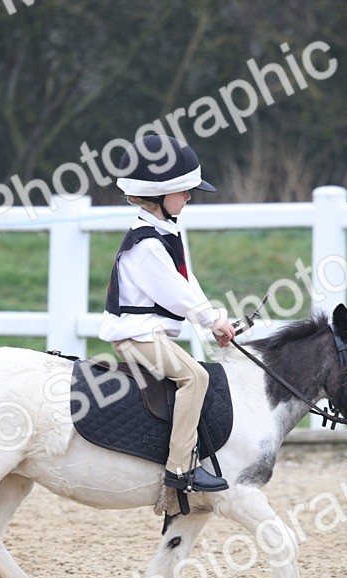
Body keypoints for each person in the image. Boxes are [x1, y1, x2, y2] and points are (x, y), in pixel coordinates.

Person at [99, 135, 238, 493]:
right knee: (195, 377)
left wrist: (214, 321)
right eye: (184, 191)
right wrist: (211, 320)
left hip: (147, 333)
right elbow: (176, 295)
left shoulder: (163, 233)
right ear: (158, 194)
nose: (189, 196)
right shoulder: (146, 244)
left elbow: (187, 282)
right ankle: (180, 467)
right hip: (136, 337)